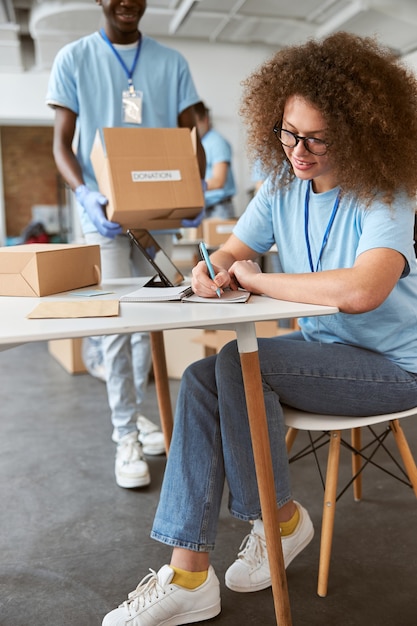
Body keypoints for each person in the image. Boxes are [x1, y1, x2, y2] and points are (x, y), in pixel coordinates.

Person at [102, 32, 417, 625]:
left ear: (360, 129)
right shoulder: (280, 187)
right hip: (322, 351)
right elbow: (233, 251)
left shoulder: (387, 195)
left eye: (318, 138)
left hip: (395, 369)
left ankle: (279, 522)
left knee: (234, 363)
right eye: (289, 133)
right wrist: (212, 268)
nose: (299, 150)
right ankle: (191, 572)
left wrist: (259, 279)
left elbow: (361, 290)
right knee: (203, 376)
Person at [46, 0, 205, 489]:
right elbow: (61, 143)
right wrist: (85, 194)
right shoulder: (73, 58)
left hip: (158, 214)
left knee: (151, 321)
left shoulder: (171, 62)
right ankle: (124, 435)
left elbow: (190, 133)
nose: (128, 2)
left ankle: (137, 417)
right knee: (116, 323)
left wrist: (193, 187)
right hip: (106, 218)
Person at [194, 101, 236, 219]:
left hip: (219, 209)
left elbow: (218, 181)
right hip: (205, 208)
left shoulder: (217, 142)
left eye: (195, 122)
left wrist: (191, 186)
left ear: (205, 120)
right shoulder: (201, 143)